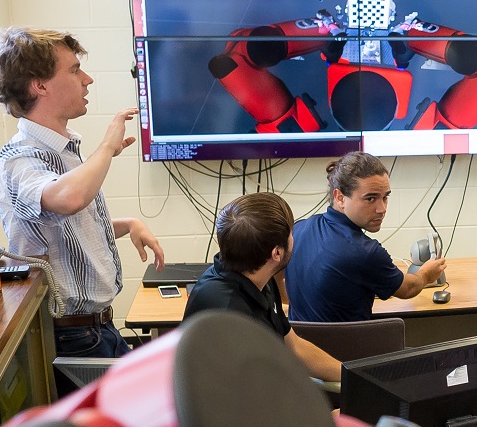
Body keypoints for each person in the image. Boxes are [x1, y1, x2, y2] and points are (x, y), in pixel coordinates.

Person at [0, 26, 164, 361]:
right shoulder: (19, 159)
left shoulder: (64, 149)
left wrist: (126, 224)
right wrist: (107, 148)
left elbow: (65, 233)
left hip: (99, 328)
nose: (87, 79)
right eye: (73, 70)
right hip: (71, 336)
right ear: (39, 85)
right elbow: (68, 200)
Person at [184, 193, 341, 381]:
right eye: (291, 233)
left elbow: (295, 347)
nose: (294, 238)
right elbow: (243, 399)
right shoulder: (229, 314)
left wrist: (354, 377)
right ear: (277, 252)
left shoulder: (258, 278)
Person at [285, 152, 447, 322]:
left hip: (297, 346)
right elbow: (408, 289)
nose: (382, 208)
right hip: (349, 348)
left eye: (385, 197)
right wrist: (426, 274)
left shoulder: (297, 230)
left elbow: (278, 279)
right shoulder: (364, 252)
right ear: (340, 198)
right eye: (370, 199)